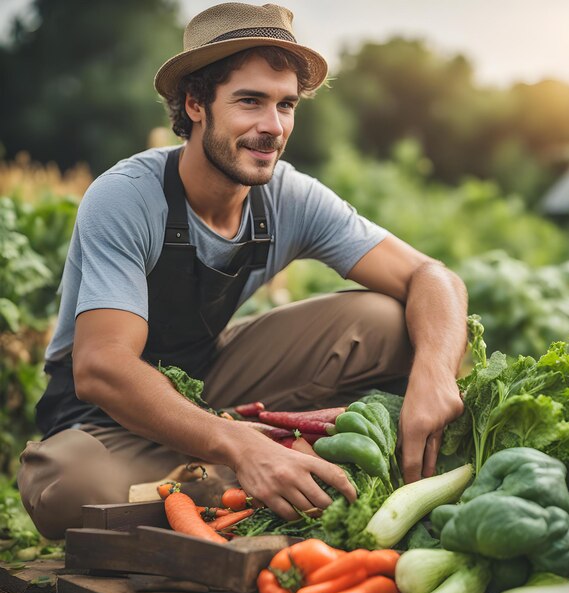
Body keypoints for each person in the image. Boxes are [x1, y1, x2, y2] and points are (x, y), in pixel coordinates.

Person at [18, 2, 467, 540]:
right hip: (102, 422)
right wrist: (239, 444)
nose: (272, 127)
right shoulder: (127, 197)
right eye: (250, 101)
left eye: (286, 105)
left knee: (387, 322)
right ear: (195, 103)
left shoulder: (288, 197)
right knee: (70, 490)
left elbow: (432, 276)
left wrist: (436, 373)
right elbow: (101, 366)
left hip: (211, 385)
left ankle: (237, 471)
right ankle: (259, 466)